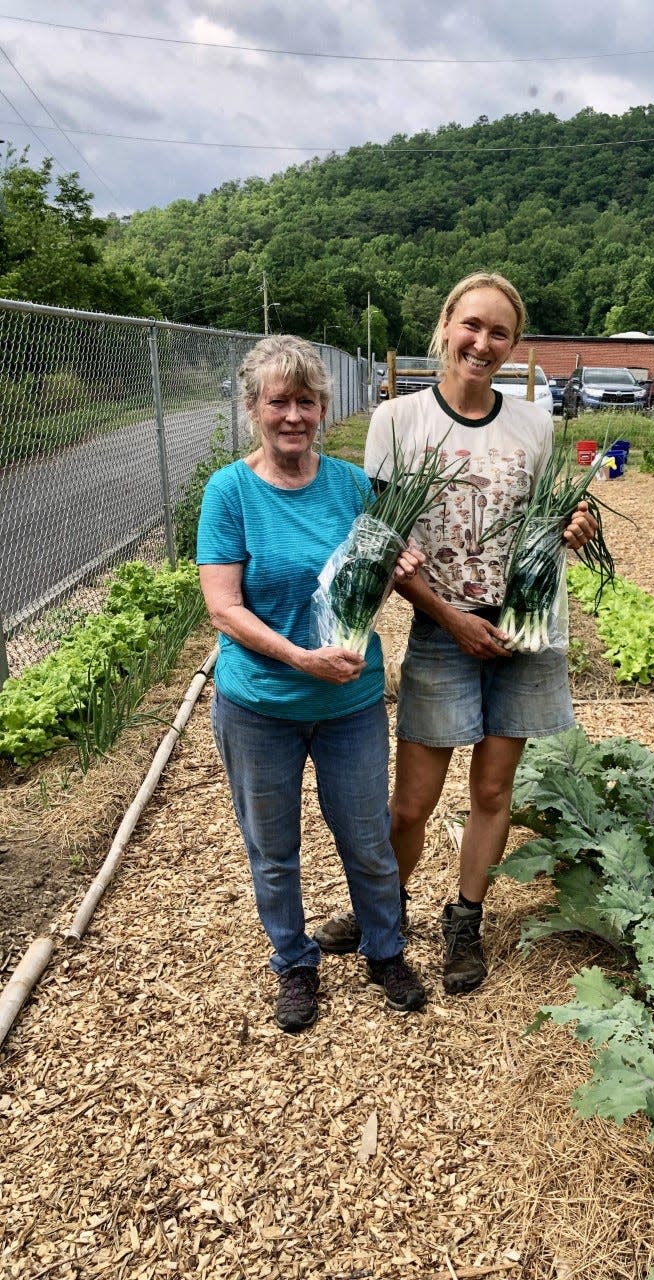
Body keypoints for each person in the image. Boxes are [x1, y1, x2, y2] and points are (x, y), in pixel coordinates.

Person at [315, 272, 596, 994]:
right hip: (444, 630)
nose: (483, 342)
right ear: (445, 326)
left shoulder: (534, 424)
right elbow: (382, 543)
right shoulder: (399, 421)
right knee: (412, 802)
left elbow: (541, 526)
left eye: (499, 332)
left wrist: (570, 527)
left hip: (525, 635)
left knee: (494, 792)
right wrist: (451, 618)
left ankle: (464, 920)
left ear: (513, 344)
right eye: (471, 325)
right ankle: (383, 910)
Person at [197, 334, 426, 1033]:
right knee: (273, 848)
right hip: (260, 704)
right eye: (278, 402)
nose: (292, 415)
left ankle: (385, 949)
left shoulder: (354, 486)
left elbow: (360, 591)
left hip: (350, 702)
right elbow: (223, 606)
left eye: (305, 401)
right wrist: (299, 659)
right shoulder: (230, 490)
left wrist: (395, 565)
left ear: (323, 408)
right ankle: (294, 964)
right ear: (252, 409)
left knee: (366, 837)